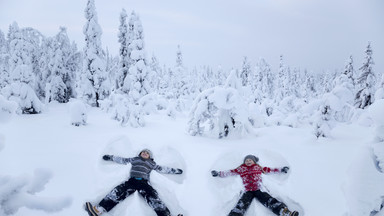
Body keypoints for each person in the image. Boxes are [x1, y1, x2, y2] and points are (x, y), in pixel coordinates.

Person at [85, 149, 183, 216]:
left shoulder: (152, 163)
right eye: (143, 152)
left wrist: (175, 171)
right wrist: (111, 157)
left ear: (150, 156)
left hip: (144, 183)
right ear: (139, 154)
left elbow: (163, 169)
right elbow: (122, 160)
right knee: (117, 192)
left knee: (153, 197)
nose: (144, 153)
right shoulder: (135, 159)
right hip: (132, 181)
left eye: (147, 153)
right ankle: (99, 210)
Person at [211, 155, 299, 216]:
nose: (248, 161)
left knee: (269, 200)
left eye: (250, 160)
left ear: (254, 161)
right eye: (246, 160)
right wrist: (219, 173)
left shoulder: (258, 167)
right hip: (247, 191)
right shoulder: (241, 168)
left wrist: (281, 169)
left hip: (258, 189)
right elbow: (230, 172)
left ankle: (284, 212)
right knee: (242, 204)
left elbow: (271, 170)